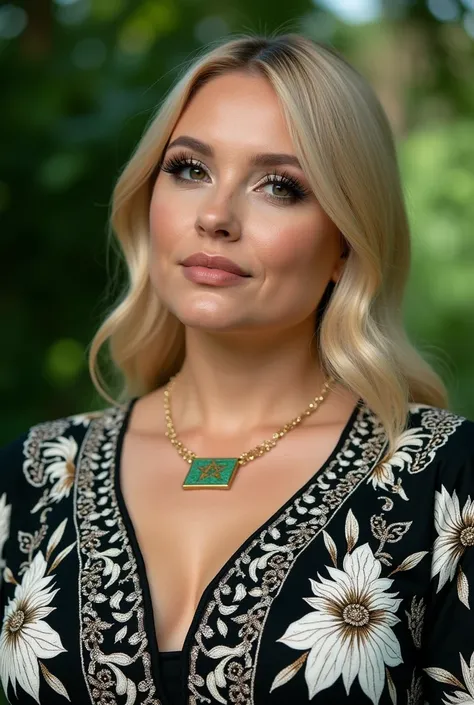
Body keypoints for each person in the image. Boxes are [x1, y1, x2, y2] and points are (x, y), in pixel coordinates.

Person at [0, 32, 473, 705]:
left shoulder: (442, 481)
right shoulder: (32, 476)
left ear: (346, 239)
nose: (216, 216)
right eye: (190, 169)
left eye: (279, 185)